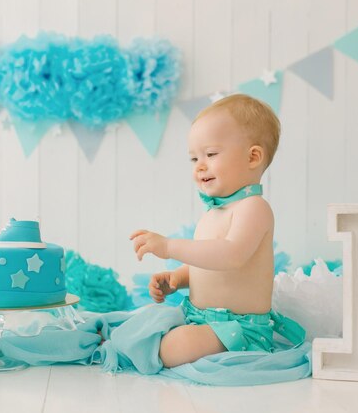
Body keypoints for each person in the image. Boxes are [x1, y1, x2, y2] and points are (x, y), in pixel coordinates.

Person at [130, 94, 305, 368]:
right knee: (146, 321)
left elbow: (231, 255)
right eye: (193, 158)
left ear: (253, 157)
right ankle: (122, 341)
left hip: (239, 329)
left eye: (210, 154)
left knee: (174, 346)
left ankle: (143, 351)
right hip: (200, 318)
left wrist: (168, 247)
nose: (200, 165)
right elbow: (210, 267)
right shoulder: (214, 213)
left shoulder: (253, 208)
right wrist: (177, 277)